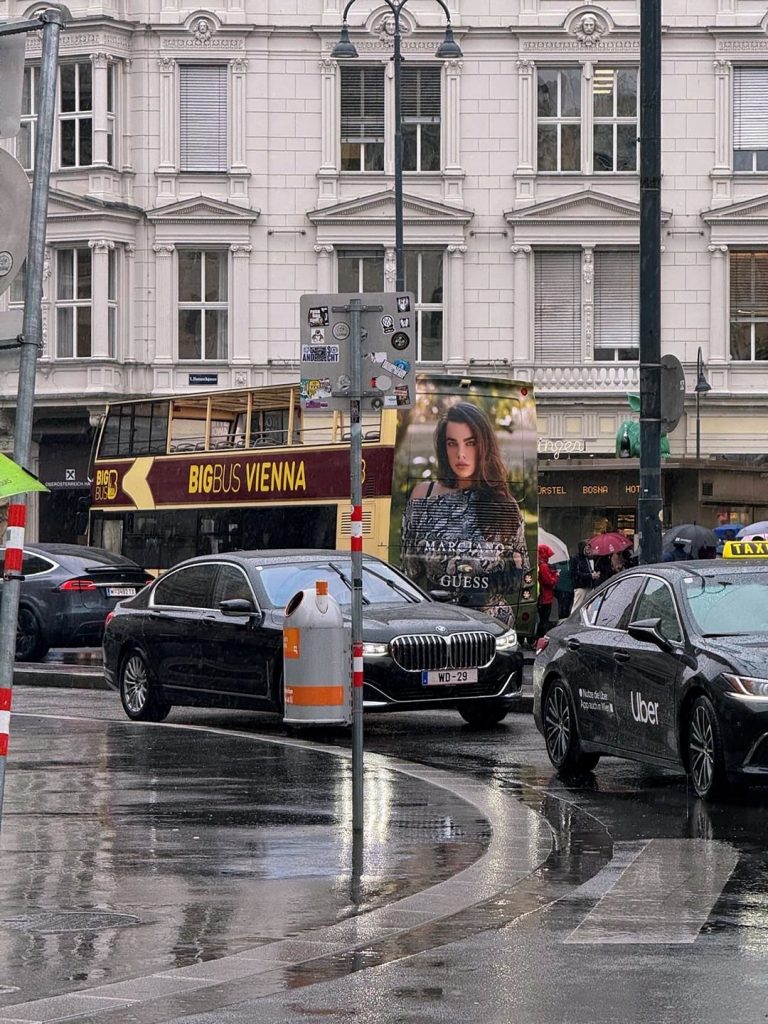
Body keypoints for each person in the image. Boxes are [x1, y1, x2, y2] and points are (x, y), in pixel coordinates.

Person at [400, 401, 529, 626]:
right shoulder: (423, 496)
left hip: (490, 627)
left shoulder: (503, 504)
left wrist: (490, 586)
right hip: (438, 626)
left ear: (483, 447)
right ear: (443, 447)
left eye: (470, 443)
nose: (461, 454)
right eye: (452, 444)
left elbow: (522, 574)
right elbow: (408, 572)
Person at [536, 543, 559, 639]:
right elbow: (549, 581)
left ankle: (538, 638)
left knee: (543, 619)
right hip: (545, 597)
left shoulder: (540, 565)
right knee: (544, 619)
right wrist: (556, 575)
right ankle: (539, 638)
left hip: (543, 596)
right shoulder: (544, 566)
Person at [570, 541, 600, 612]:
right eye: (586, 549)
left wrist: (593, 573)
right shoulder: (575, 559)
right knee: (577, 606)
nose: (588, 550)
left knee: (588, 607)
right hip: (581, 586)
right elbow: (575, 573)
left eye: (589, 549)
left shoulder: (586, 558)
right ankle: (573, 621)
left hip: (588, 586)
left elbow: (587, 570)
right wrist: (590, 575)